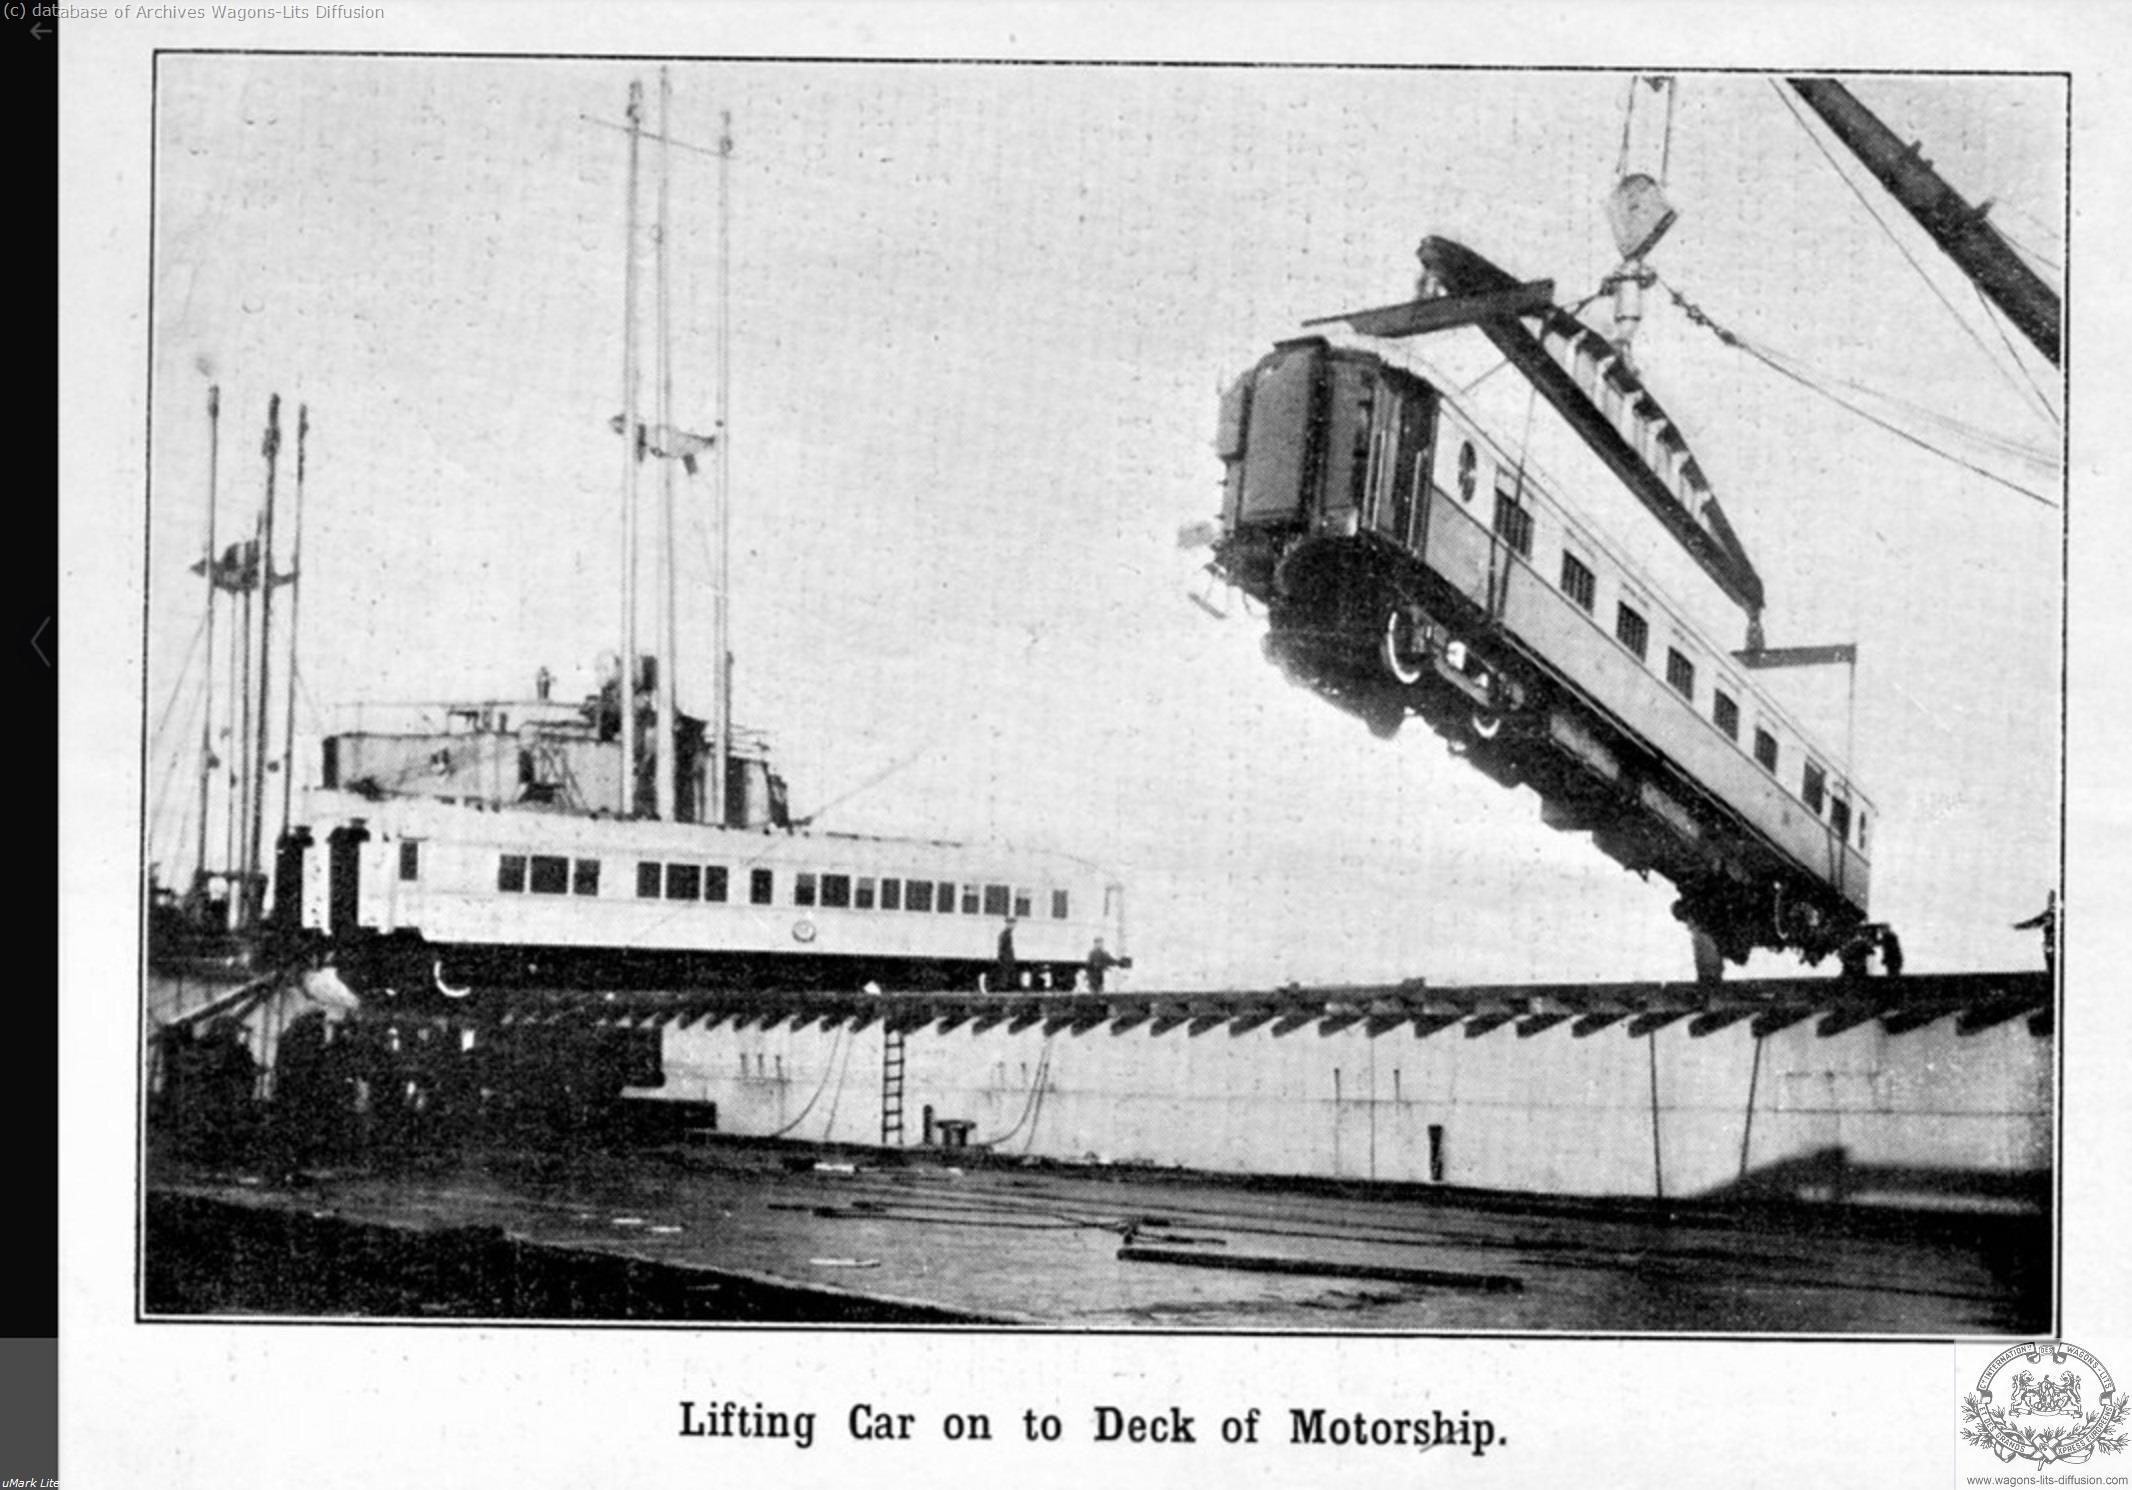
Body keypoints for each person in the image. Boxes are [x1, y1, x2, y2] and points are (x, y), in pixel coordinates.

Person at [2013, 891, 2058, 979]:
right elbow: (2034, 922)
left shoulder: (2049, 915)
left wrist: (2019, 926)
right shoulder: (2049, 915)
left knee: (2052, 968)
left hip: (2052, 946)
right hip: (2050, 946)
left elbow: (2034, 923)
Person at [994, 915, 1019, 993]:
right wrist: (1002, 956)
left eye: (1014, 923)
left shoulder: (1007, 933)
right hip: (1006, 957)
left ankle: (1004, 987)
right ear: (1008, 924)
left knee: (1007, 973)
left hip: (1007, 957)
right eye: (1012, 923)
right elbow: (1002, 947)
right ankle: (1003, 989)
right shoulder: (1005, 934)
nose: (1014, 926)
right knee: (1005, 973)